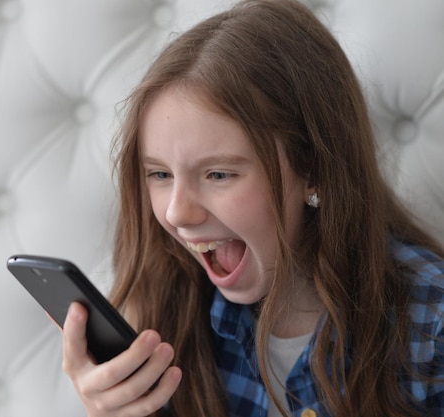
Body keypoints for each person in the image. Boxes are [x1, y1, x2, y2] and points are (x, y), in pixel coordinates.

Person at [60, 0, 444, 416]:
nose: (176, 214)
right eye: (160, 175)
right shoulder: (167, 306)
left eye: (218, 175)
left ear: (313, 171)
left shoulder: (430, 325)